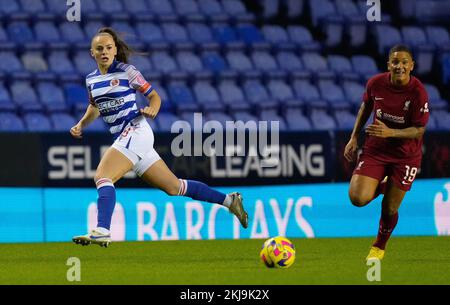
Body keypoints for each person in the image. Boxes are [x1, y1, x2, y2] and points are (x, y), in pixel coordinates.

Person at [71, 28, 248, 247]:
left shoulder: (128, 71)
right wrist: (81, 124)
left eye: (109, 47)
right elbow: (94, 106)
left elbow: (154, 96)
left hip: (136, 130)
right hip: (128, 139)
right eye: (100, 49)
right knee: (175, 187)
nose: (105, 52)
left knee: (102, 176)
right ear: (92, 53)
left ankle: (102, 230)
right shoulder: (91, 80)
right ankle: (230, 201)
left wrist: (153, 108)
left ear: (115, 50)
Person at [344, 44, 430, 260]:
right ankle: (385, 186)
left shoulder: (418, 92)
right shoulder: (376, 83)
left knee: (390, 207)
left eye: (404, 62)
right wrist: (354, 136)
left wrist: (390, 132)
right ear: (388, 64)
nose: (399, 66)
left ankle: (378, 246)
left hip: (406, 155)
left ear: (411, 66)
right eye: (395, 62)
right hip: (376, 149)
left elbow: (419, 130)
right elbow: (366, 107)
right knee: (357, 198)